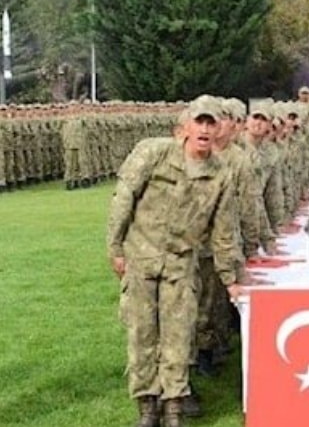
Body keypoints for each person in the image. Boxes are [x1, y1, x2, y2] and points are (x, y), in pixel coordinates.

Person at [106, 95, 245, 427]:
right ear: (185, 126)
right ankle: (146, 406)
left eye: (211, 123)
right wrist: (115, 248)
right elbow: (123, 198)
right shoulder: (153, 153)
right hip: (142, 257)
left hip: (181, 265)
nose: (205, 130)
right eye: (200, 122)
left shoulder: (220, 174)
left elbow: (223, 232)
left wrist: (230, 279)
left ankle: (173, 407)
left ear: (219, 129)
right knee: (142, 334)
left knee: (179, 337)